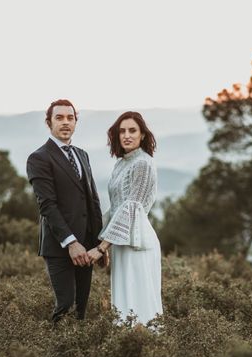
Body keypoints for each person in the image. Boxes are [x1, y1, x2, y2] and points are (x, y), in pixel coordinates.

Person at [26, 99, 104, 323]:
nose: (65, 122)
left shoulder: (82, 154)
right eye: (59, 118)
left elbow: (93, 201)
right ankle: (54, 355)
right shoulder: (39, 158)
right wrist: (71, 243)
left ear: (76, 122)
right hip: (60, 247)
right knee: (65, 306)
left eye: (70, 118)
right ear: (48, 122)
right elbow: (47, 206)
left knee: (80, 310)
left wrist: (99, 243)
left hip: (88, 246)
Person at [87, 111, 163, 324]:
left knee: (139, 303)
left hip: (137, 243)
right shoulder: (122, 163)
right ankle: (127, 350)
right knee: (123, 305)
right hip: (120, 241)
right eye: (122, 131)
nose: (127, 135)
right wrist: (99, 240)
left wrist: (102, 248)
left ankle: (149, 350)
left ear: (143, 135)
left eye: (132, 130)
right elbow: (115, 209)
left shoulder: (143, 164)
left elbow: (130, 210)